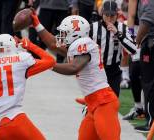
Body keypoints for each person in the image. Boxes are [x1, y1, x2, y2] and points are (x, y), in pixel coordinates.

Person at [31, 12, 120, 140]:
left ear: (75, 33)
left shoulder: (83, 43)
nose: (61, 36)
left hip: (103, 102)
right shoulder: (75, 46)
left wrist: (48, 65)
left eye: (65, 32)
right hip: (93, 102)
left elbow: (74, 68)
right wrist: (37, 25)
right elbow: (52, 44)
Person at [122, 0, 145, 120]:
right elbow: (131, 15)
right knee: (135, 72)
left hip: (149, 29)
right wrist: (131, 35)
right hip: (138, 30)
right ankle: (139, 107)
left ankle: (145, 108)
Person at [134, 0, 154, 133]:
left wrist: (137, 39)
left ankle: (151, 121)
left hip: (151, 44)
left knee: (149, 84)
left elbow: (147, 21)